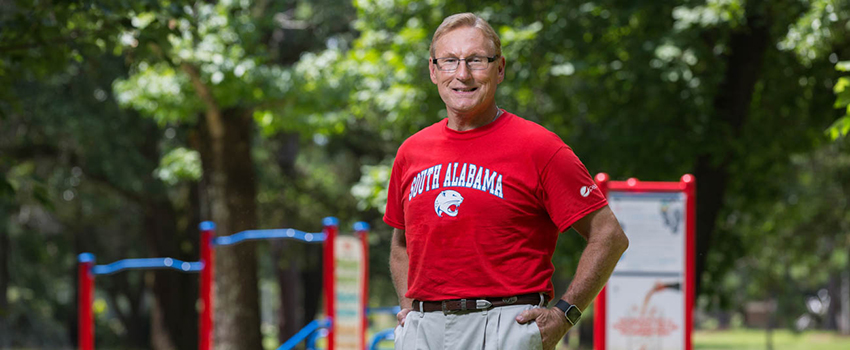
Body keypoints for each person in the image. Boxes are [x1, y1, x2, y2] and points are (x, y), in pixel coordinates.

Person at [384, 12, 629, 350]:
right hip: (424, 330)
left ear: (500, 69)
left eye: (476, 61)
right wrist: (409, 307)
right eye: (450, 61)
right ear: (433, 70)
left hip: (505, 326)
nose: (462, 74)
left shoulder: (539, 147)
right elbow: (401, 244)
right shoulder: (411, 152)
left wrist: (565, 313)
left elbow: (609, 236)